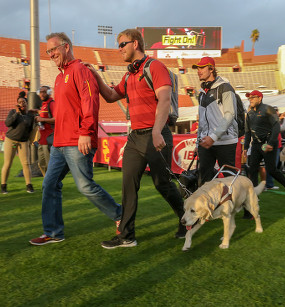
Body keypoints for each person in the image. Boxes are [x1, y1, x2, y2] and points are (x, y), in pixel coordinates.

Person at [86, 28, 186, 249]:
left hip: (155, 134)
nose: (119, 49)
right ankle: (126, 236)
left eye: (122, 44)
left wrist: (158, 130)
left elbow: (165, 99)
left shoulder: (155, 67)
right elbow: (112, 96)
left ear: (135, 44)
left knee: (163, 185)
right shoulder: (129, 74)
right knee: (128, 186)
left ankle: (186, 219)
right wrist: (96, 76)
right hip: (135, 138)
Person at [29, 32, 122, 246]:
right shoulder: (60, 77)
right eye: (48, 51)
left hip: (78, 140)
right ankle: (53, 232)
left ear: (66, 47)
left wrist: (85, 132)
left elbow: (90, 103)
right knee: (49, 184)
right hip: (59, 143)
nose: (50, 54)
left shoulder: (81, 70)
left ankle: (120, 215)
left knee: (85, 186)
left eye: (53, 49)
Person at [243, 90, 285, 204]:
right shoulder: (249, 113)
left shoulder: (268, 109)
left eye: (253, 97)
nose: (250, 99)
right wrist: (245, 147)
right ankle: (254, 195)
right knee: (252, 169)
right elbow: (247, 132)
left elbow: (276, 126)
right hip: (257, 144)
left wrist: (271, 143)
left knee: (271, 170)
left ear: (260, 98)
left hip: (267, 142)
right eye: (249, 98)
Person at [192, 57, 239, 185]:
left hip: (225, 141)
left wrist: (213, 137)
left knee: (230, 181)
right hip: (206, 143)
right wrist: (198, 144)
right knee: (203, 182)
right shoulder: (201, 93)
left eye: (202, 68)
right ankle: (207, 206)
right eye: (198, 68)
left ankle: (241, 204)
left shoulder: (225, 87)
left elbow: (230, 114)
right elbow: (201, 121)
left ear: (211, 69)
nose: (198, 71)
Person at [0, 92, 35, 194]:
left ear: (27, 103)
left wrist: (30, 141)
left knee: (26, 163)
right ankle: (3, 185)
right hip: (11, 140)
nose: (22, 104)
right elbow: (8, 123)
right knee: (8, 163)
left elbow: (31, 129)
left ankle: (29, 185)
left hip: (23, 142)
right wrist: (16, 113)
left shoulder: (30, 115)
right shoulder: (13, 112)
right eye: (19, 102)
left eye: (23, 102)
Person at [35, 85, 55, 176]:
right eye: (41, 92)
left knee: (49, 165)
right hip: (41, 139)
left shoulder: (52, 103)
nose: (42, 94)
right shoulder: (44, 105)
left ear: (48, 93)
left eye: (44, 92)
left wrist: (42, 120)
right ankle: (48, 183)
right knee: (41, 164)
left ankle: (53, 186)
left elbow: (56, 119)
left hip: (49, 139)